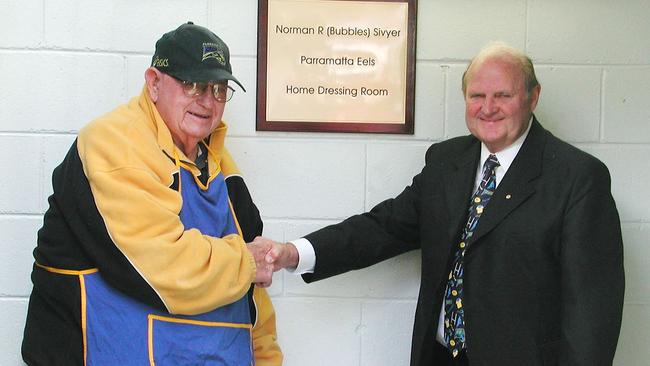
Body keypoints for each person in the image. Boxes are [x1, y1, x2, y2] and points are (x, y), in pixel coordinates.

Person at [257, 42, 624, 365]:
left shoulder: (577, 178)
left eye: (503, 96)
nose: (488, 108)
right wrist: (293, 252)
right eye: (477, 96)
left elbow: (592, 315)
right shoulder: (447, 162)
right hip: (440, 357)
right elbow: (383, 227)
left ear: (533, 96)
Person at [22, 22, 282, 365]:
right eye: (192, 84)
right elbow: (162, 269)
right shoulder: (113, 143)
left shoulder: (219, 164)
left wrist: (266, 358)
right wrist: (246, 261)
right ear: (154, 83)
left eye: (219, 89)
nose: (208, 101)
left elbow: (253, 295)